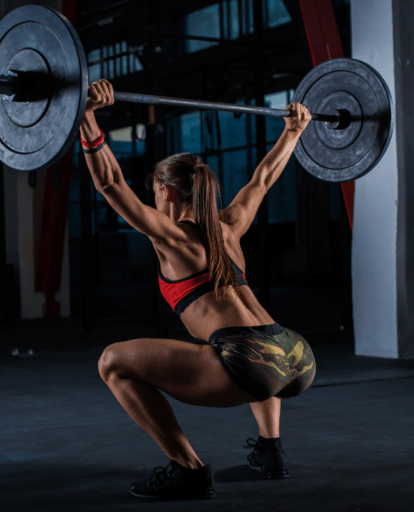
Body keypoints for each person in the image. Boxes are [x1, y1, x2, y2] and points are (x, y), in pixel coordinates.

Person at [82, 79, 316, 500]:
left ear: (167, 192)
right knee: (252, 347)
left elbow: (111, 185)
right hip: (294, 354)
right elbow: (262, 180)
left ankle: (187, 469)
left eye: (154, 192)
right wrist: (293, 131)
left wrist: (86, 117)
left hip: (247, 361)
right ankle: (270, 449)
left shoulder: (170, 237)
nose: (152, 199)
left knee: (112, 361)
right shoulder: (230, 227)